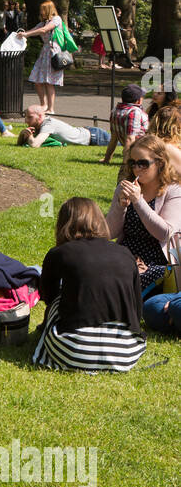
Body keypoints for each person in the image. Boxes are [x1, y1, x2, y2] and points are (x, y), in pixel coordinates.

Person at [32, 198, 145, 372]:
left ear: (63, 224)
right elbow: (136, 306)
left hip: (72, 352)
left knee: (58, 301)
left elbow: (48, 295)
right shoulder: (125, 253)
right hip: (125, 353)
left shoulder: (60, 253)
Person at [106, 136, 181, 298]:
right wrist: (121, 207)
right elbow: (110, 233)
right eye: (132, 163)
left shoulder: (174, 190)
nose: (136, 168)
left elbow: (165, 233)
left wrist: (138, 201)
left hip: (157, 262)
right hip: (125, 255)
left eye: (143, 163)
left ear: (160, 163)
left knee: (123, 282)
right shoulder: (125, 187)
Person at [18, 0, 68, 111]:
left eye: (43, 10)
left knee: (49, 82)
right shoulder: (44, 22)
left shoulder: (56, 19)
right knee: (37, 80)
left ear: (48, 10)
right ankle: (43, 105)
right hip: (45, 52)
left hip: (53, 52)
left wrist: (26, 34)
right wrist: (22, 35)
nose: (41, 12)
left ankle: (51, 109)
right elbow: (35, 29)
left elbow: (44, 30)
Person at [17, 104, 110, 148]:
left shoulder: (48, 124)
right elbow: (20, 144)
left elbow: (34, 144)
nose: (26, 120)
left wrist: (29, 135)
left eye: (30, 117)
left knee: (122, 142)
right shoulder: (39, 125)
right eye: (26, 117)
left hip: (96, 137)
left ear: (40, 116)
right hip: (89, 132)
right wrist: (22, 135)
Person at [103, 83, 149, 165]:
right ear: (138, 100)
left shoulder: (115, 111)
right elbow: (130, 139)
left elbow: (114, 138)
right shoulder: (134, 112)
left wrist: (107, 158)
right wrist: (126, 163)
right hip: (144, 150)